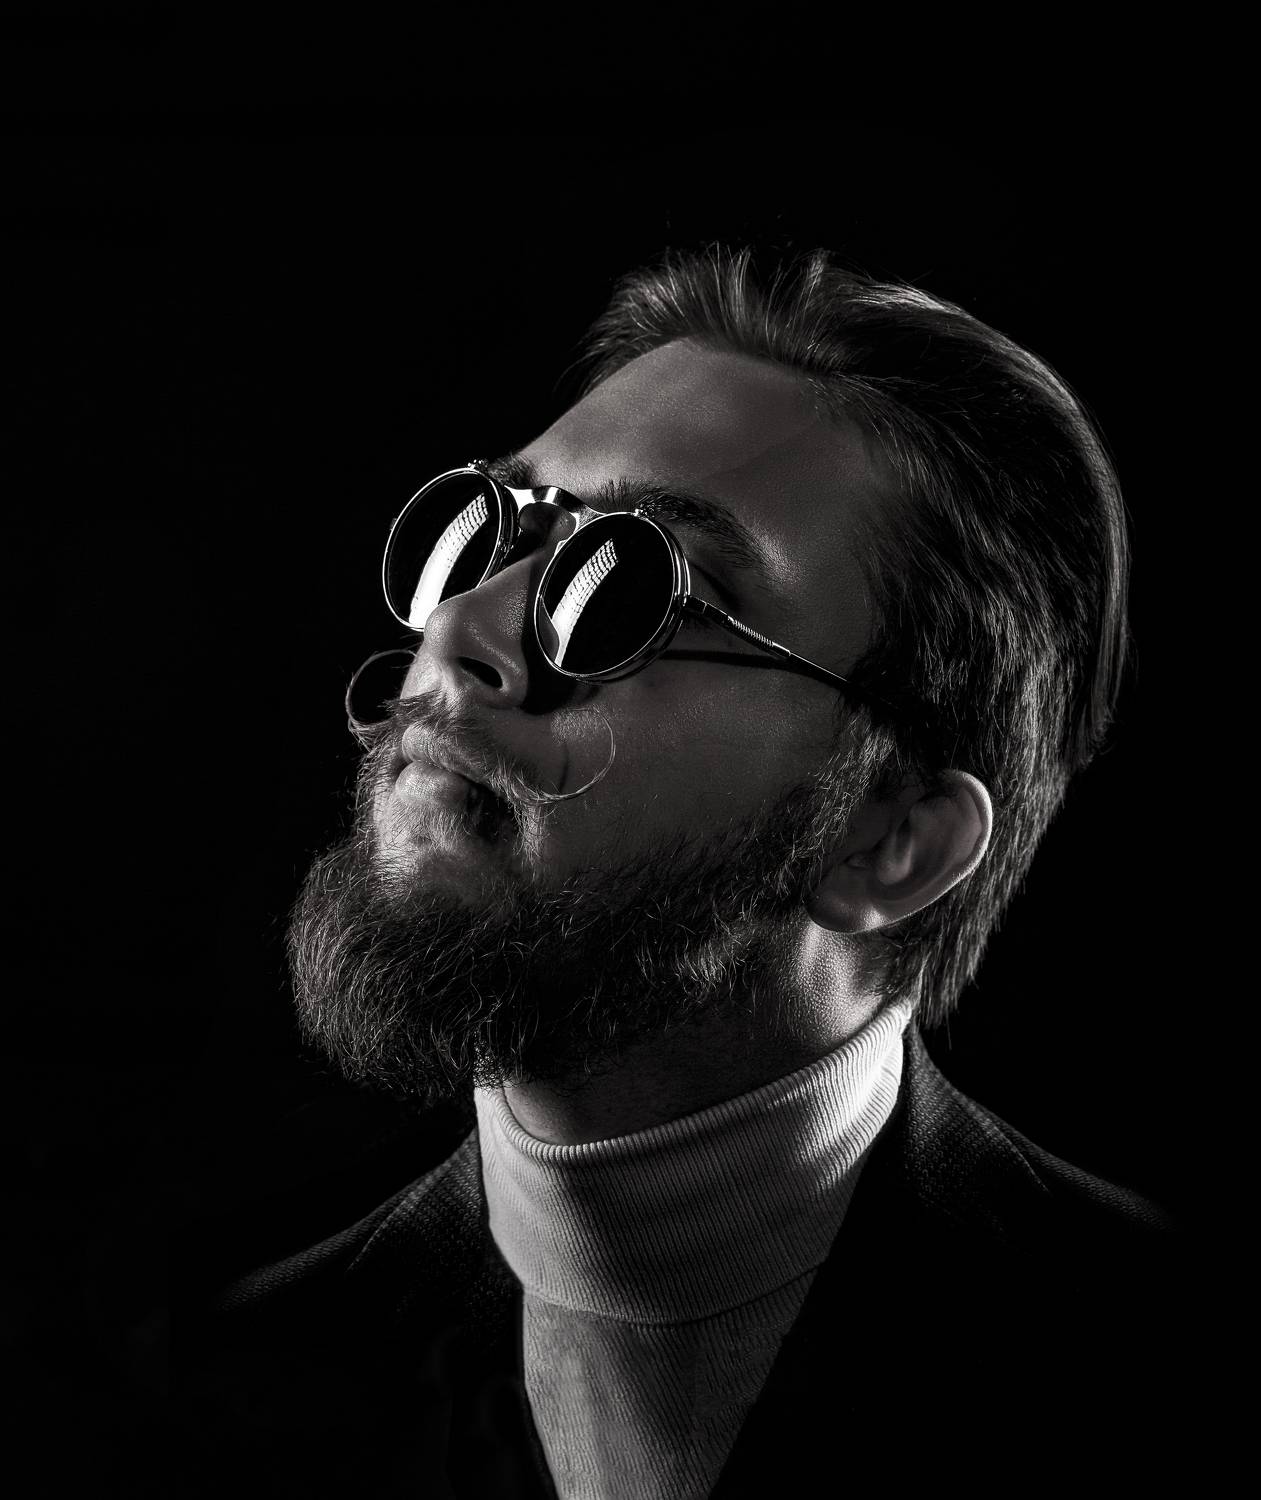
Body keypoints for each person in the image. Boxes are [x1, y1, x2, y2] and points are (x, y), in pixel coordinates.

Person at [178, 247, 1186, 1497]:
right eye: (486, 537)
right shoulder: (206, 1398)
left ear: (891, 839)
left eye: (634, 588)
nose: (460, 632)